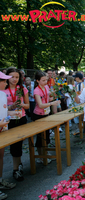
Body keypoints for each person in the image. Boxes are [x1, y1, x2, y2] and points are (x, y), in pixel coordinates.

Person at [4, 67, 30, 181]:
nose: (14, 79)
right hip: (9, 120)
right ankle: (16, 168)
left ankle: (18, 167)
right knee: (13, 145)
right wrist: (12, 106)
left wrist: (22, 105)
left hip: (21, 118)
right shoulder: (3, 89)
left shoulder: (22, 89)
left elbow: (28, 105)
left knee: (18, 144)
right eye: (12, 77)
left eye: (17, 77)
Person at [0, 72, 21, 200]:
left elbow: (4, 110)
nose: (6, 83)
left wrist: (12, 113)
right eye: (3, 81)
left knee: (1, 155)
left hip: (3, 130)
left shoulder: (2, 94)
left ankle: (0, 179)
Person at [33, 71, 61, 163]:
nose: (45, 82)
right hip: (39, 115)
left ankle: (46, 152)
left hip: (46, 113)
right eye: (43, 80)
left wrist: (52, 97)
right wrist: (51, 103)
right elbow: (40, 105)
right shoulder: (36, 90)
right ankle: (41, 156)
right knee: (40, 136)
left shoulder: (46, 87)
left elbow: (48, 98)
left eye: (46, 80)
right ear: (37, 80)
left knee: (47, 134)